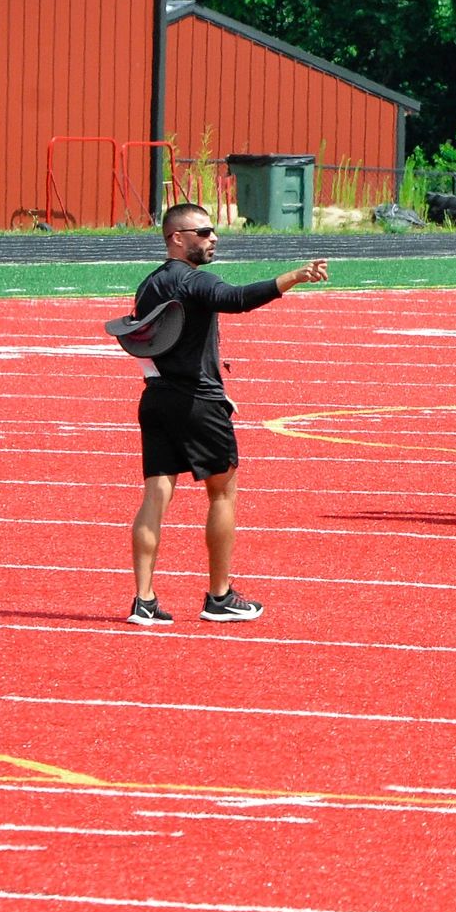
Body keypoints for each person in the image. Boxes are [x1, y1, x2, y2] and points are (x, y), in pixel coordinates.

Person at [123, 206, 327, 625]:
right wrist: (293, 276)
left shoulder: (149, 284)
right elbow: (236, 299)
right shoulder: (194, 280)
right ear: (177, 238)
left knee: (155, 497)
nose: (213, 237)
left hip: (156, 397)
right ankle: (219, 596)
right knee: (221, 493)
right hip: (198, 402)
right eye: (203, 232)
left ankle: (144, 600)